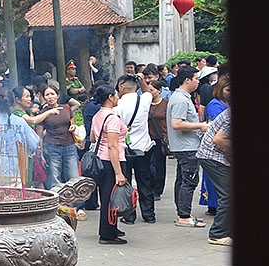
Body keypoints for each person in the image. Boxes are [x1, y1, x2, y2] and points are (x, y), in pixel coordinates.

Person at [166, 66, 210, 227]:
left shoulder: (181, 97)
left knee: (182, 179)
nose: (198, 82)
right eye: (196, 78)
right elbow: (177, 123)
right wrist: (200, 126)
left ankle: (182, 213)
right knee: (189, 181)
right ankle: (184, 216)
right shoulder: (180, 99)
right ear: (187, 80)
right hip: (187, 146)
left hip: (184, 146)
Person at [87, 83, 130, 244]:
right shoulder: (112, 118)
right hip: (111, 160)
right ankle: (107, 234)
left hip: (100, 159)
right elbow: (113, 146)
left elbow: (92, 138)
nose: (118, 97)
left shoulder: (98, 115)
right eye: (116, 94)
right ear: (110, 98)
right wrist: (119, 172)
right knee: (110, 197)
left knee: (106, 195)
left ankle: (111, 228)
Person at [114, 74, 156, 224]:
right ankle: (149, 214)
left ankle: (129, 215)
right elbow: (148, 92)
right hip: (143, 147)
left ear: (122, 87)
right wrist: (142, 80)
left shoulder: (118, 105)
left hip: (125, 149)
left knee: (126, 182)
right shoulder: (144, 99)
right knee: (144, 181)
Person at [197, 107, 232, 246]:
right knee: (228, 194)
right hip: (212, 156)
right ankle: (217, 234)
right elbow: (219, 139)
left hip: (219, 156)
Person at [39, 86, 79, 190]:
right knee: (54, 178)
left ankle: (73, 204)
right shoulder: (42, 113)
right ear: (44, 97)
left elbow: (72, 123)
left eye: (52, 94)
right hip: (52, 148)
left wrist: (73, 127)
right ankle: (57, 203)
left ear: (58, 96)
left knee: (74, 177)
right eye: (47, 95)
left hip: (69, 146)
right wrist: (41, 154)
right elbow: (39, 136)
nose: (50, 97)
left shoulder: (66, 108)